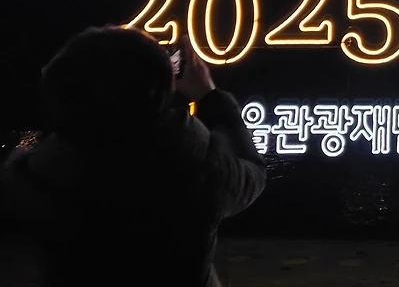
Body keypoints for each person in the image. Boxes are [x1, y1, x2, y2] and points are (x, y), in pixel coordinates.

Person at [2, 27, 265, 286]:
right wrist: (208, 95)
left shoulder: (30, 181)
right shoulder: (201, 173)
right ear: (164, 86)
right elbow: (252, 171)